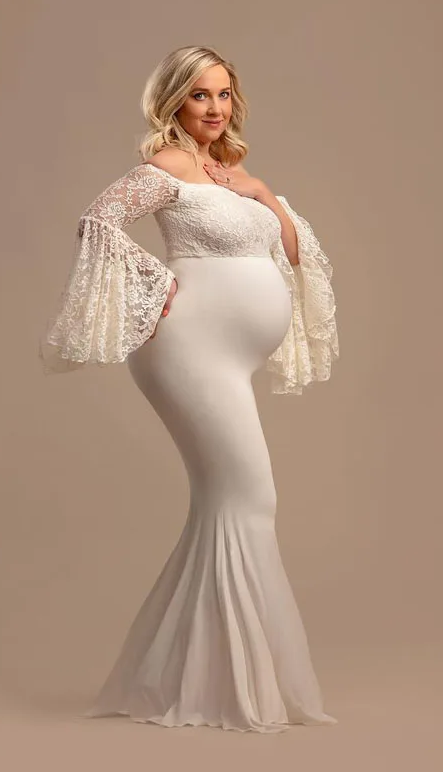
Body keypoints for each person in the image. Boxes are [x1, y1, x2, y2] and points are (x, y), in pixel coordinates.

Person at [39, 46, 339, 733]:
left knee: (224, 505)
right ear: (174, 100)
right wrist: (155, 282)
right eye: (200, 94)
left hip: (233, 352)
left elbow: (295, 254)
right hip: (188, 349)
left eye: (224, 94)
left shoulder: (235, 176)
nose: (215, 108)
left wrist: (263, 195)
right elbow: (98, 219)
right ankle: (233, 684)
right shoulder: (170, 166)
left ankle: (201, 679)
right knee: (250, 498)